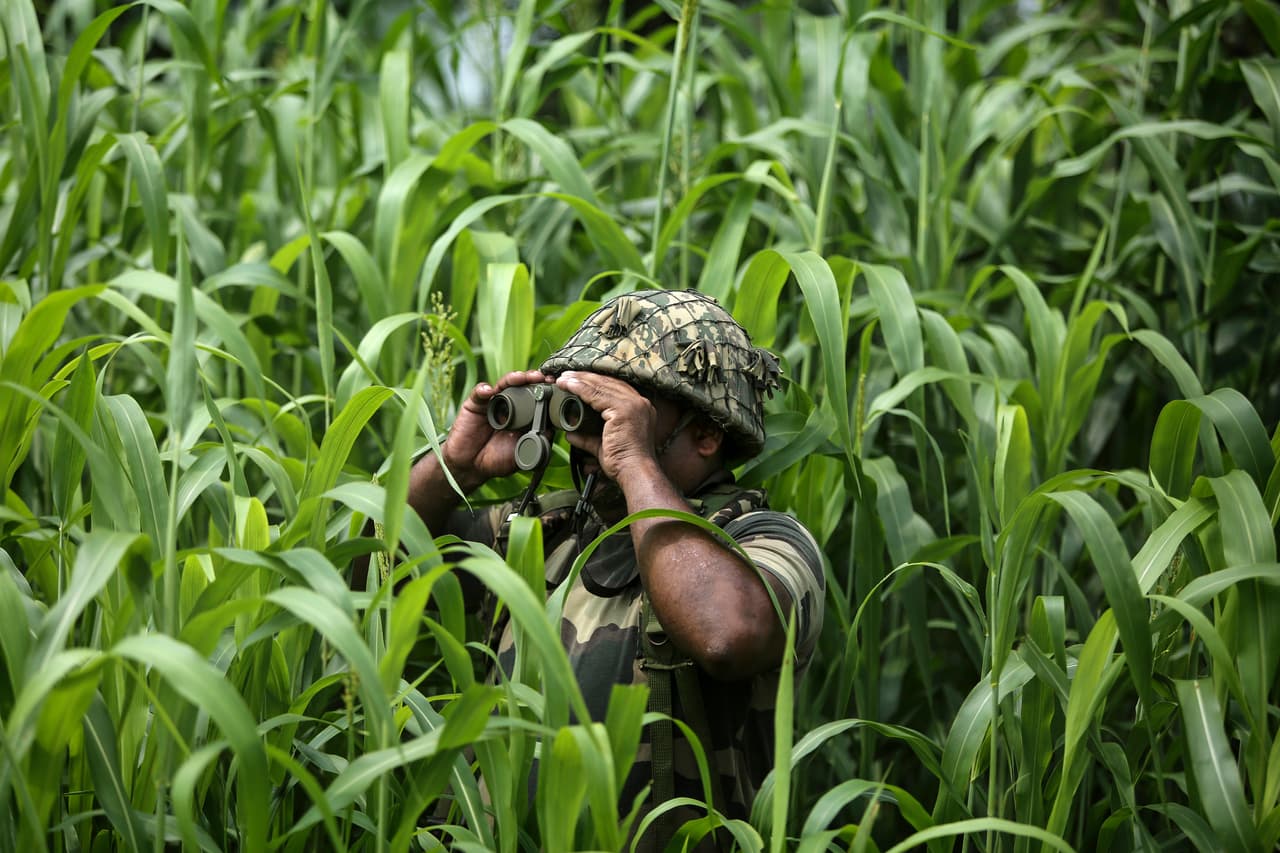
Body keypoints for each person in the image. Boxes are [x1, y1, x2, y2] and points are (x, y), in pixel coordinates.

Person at [407, 289, 825, 850]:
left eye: (621, 409)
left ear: (706, 435)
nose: (590, 437)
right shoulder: (545, 529)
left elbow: (727, 634)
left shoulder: (762, 540)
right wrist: (453, 465)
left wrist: (634, 462)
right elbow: (368, 573)